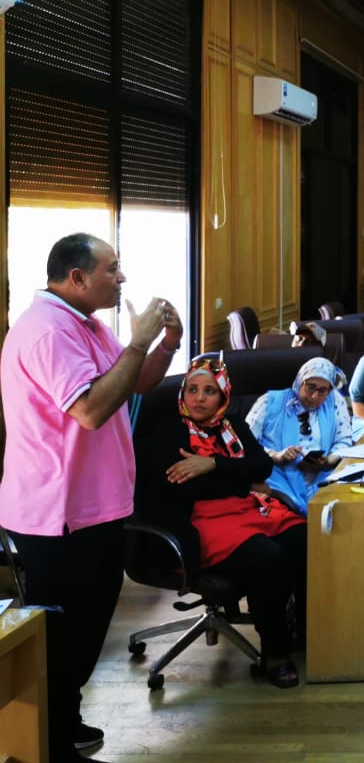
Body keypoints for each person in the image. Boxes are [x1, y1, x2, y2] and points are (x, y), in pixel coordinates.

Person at [0, 233, 179, 762]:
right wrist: (139, 342)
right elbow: (92, 410)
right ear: (77, 278)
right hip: (57, 516)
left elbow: (133, 383)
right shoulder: (47, 331)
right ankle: (52, 746)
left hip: (95, 508)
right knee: (63, 640)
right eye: (112, 268)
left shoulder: (85, 323)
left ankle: (65, 721)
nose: (121, 278)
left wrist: (165, 344)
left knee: (85, 630)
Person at [140, 359, 308, 689]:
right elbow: (183, 486)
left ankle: (304, 629)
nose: (199, 398)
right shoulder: (169, 429)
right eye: (192, 390)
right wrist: (241, 482)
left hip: (250, 510)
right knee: (269, 560)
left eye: (209, 391)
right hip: (199, 520)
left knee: (305, 541)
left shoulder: (232, 425)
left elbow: (261, 466)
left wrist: (212, 464)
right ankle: (275, 652)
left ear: (223, 396)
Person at [245, 357, 352, 515]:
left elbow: (344, 440)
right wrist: (275, 456)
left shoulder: (334, 401)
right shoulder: (269, 402)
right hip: (278, 480)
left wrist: (328, 461)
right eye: (310, 387)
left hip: (321, 477)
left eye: (322, 391)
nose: (314, 396)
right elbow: (244, 444)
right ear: (299, 381)